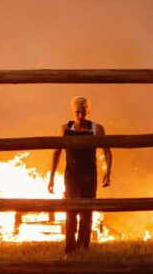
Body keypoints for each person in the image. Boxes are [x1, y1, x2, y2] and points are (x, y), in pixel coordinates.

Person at [48, 96, 112, 255]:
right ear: (72, 111)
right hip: (72, 175)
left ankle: (83, 247)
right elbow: (56, 152)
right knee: (71, 210)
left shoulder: (97, 129)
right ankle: (69, 249)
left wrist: (108, 172)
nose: (81, 116)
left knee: (87, 212)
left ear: (89, 110)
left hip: (90, 175)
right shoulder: (64, 129)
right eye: (77, 112)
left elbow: (107, 151)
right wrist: (51, 178)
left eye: (84, 112)